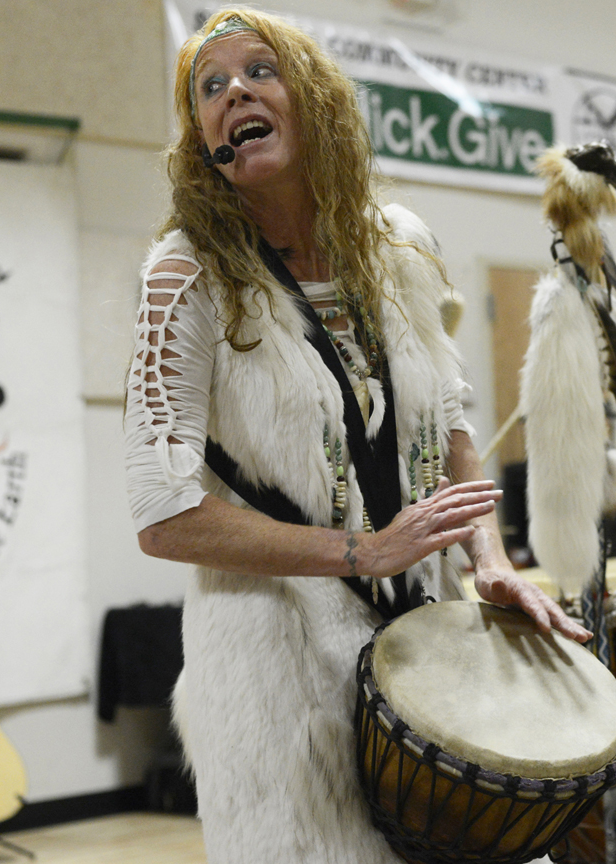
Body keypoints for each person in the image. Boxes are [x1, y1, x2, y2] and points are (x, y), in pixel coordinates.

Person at [124, 9, 590, 863]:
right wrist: (362, 552)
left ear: (314, 101)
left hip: (432, 644)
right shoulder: (185, 272)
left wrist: (490, 560)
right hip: (277, 673)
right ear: (200, 137)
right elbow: (164, 515)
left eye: (258, 71)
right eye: (210, 87)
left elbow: (448, 421)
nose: (235, 94)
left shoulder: (398, 245)